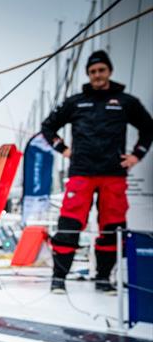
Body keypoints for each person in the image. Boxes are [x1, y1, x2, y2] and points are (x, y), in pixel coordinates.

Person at [41, 50, 152, 294]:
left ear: (109, 71)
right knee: (69, 224)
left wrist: (136, 155)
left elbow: (148, 128)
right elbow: (47, 126)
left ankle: (103, 278)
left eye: (101, 70)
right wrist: (64, 149)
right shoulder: (75, 102)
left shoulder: (126, 102)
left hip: (113, 174)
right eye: (92, 72)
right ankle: (59, 278)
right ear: (88, 75)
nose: (97, 75)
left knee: (112, 226)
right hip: (82, 172)